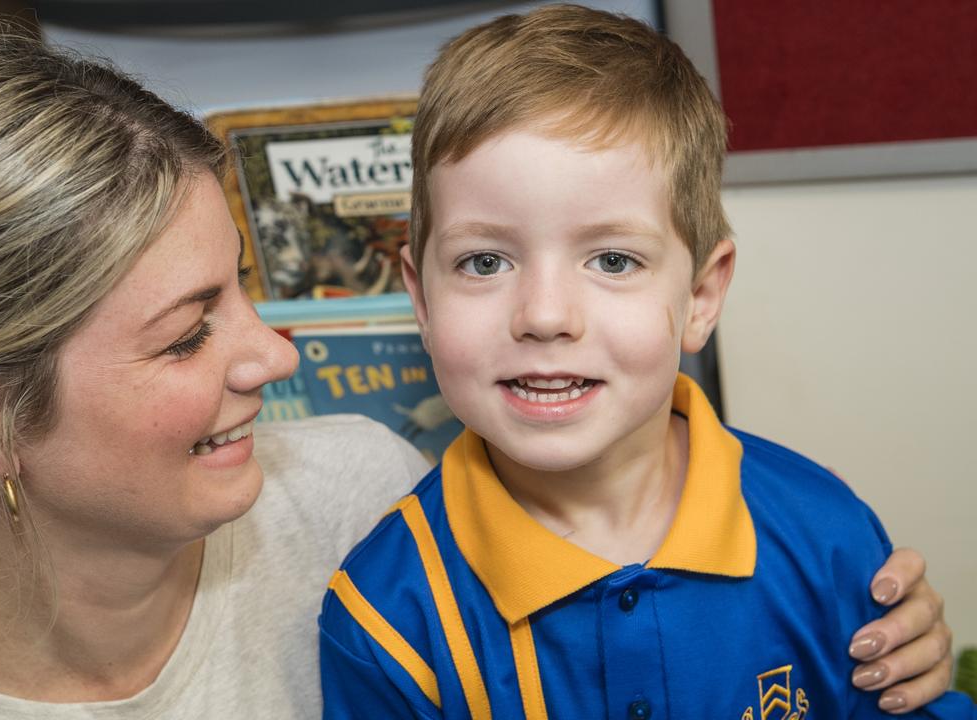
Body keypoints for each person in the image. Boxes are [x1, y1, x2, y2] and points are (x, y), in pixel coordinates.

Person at [0, 31, 952, 720]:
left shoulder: (347, 486)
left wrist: (894, 642)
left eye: (244, 286)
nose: (277, 354)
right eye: (189, 331)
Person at [317, 5, 973, 720]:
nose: (543, 315)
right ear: (420, 296)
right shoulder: (383, 620)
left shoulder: (825, 531)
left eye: (612, 259)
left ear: (700, 295)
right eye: (483, 261)